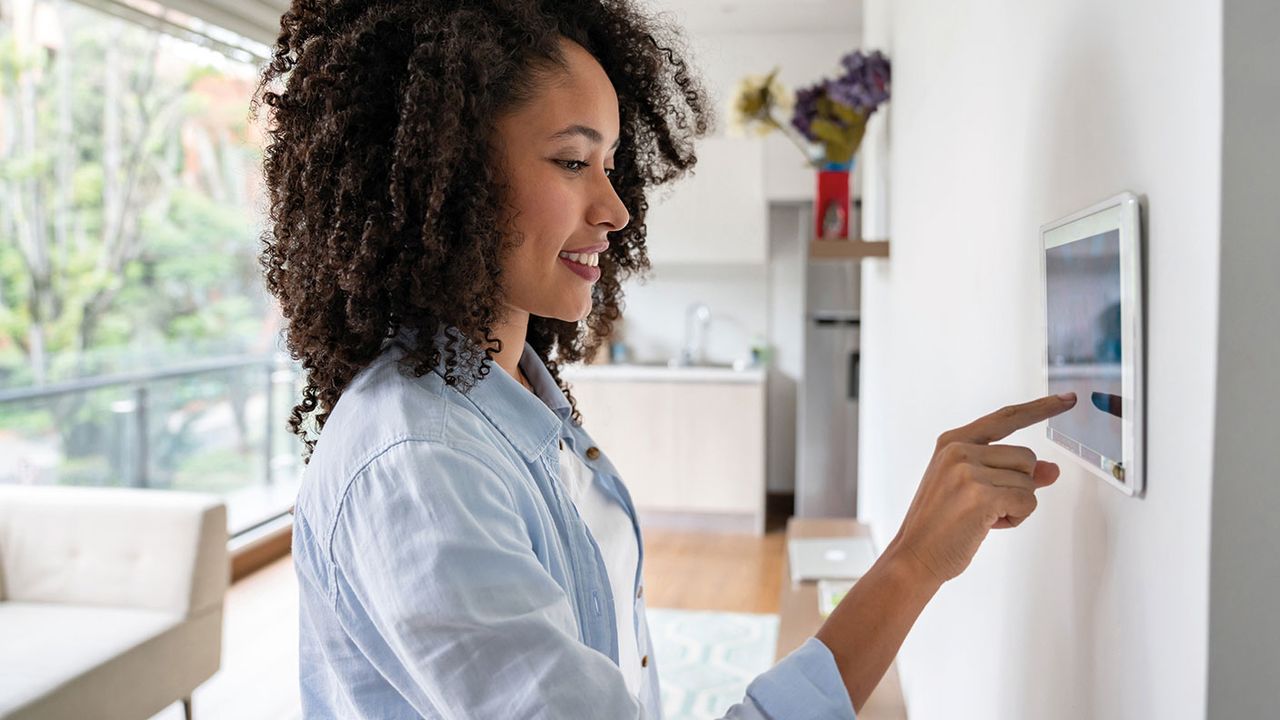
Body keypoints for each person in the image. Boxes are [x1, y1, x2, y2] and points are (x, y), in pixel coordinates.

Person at [253, 0, 1078, 717]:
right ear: (446, 169)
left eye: (609, 165)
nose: (613, 207)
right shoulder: (423, 463)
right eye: (573, 161)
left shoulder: (512, 397)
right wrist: (911, 564)